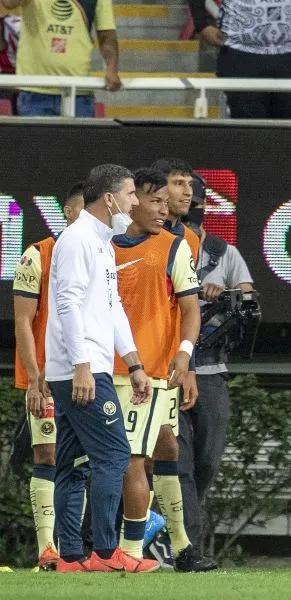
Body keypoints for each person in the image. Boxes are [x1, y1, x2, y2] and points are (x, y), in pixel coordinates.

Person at [45, 164, 158, 573]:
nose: (135, 202)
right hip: (83, 368)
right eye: (130, 194)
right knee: (114, 455)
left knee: (73, 464)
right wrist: (82, 366)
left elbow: (112, 309)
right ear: (109, 199)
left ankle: (71, 557)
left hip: (82, 366)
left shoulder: (101, 242)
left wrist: (135, 363)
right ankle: (108, 554)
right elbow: (67, 304)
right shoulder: (78, 240)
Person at [110, 168, 217, 571]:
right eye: (154, 201)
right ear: (131, 200)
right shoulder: (101, 245)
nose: (163, 209)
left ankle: (180, 545)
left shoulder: (175, 245)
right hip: (117, 371)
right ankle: (128, 552)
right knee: (130, 458)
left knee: (166, 448)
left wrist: (185, 357)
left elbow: (190, 308)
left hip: (157, 369)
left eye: (164, 202)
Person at [177, 177, 255, 549]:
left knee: (207, 459)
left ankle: (183, 526)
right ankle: (185, 543)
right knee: (176, 462)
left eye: (195, 205)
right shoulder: (162, 247)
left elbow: (250, 302)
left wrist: (224, 293)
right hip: (171, 367)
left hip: (209, 367)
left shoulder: (224, 253)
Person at [12, 182, 84, 570]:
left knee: (83, 461)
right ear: (69, 212)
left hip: (89, 375)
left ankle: (76, 550)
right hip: (46, 377)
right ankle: (47, 550)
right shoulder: (37, 255)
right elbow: (23, 321)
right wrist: (34, 377)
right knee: (48, 453)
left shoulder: (99, 254)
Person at [187, 0, 291, 119]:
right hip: (239, 52)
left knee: (286, 128)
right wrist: (201, 24)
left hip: (289, 52)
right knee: (248, 130)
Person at [0, 0, 120, 117]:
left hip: (79, 91)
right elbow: (9, 3)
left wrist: (112, 69)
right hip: (34, 90)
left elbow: (106, 35)